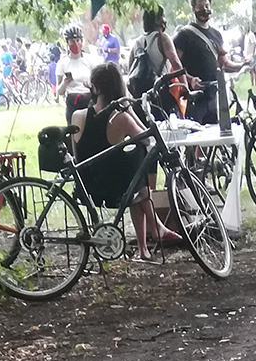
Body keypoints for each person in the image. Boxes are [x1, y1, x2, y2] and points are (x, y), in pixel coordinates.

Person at [70, 64, 181, 261]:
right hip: (114, 190)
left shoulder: (77, 116)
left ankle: (146, 245)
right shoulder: (120, 118)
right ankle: (153, 232)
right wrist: (128, 109)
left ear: (94, 88)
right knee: (138, 166)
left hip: (86, 186)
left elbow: (78, 152)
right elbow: (147, 138)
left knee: (134, 176)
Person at [173, 0, 226, 124]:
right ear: (193, 9)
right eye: (200, 7)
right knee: (194, 137)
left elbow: (223, 63)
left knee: (213, 135)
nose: (205, 10)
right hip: (193, 98)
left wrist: (243, 64)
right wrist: (190, 80)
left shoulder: (216, 35)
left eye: (207, 6)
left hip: (213, 94)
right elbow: (173, 66)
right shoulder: (184, 35)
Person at [57, 25, 101, 122]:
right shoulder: (62, 63)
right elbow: (59, 92)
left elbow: (98, 83)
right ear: (67, 43)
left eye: (78, 40)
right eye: (72, 41)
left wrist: (91, 86)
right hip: (72, 101)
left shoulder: (90, 59)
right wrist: (65, 83)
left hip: (88, 99)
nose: (76, 44)